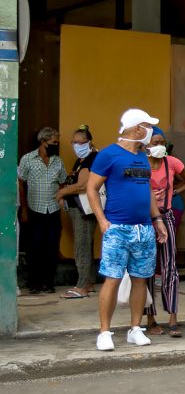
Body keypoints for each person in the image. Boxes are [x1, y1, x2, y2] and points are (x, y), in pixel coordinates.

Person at [87, 109, 168, 351]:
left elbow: (148, 191)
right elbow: (92, 189)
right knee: (112, 280)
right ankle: (104, 332)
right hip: (118, 228)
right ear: (137, 129)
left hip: (144, 228)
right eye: (148, 126)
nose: (151, 131)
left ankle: (135, 329)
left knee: (141, 280)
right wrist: (102, 221)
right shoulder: (108, 155)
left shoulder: (142, 157)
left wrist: (158, 219)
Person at [144, 127, 185, 338]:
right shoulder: (140, 163)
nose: (159, 146)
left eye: (161, 142)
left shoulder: (172, 162)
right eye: (154, 142)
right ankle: (150, 319)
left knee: (169, 267)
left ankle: (173, 317)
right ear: (146, 145)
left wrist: (174, 191)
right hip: (145, 219)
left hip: (166, 216)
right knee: (146, 269)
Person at [18, 127, 67, 294]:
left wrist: (61, 200)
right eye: (53, 143)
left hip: (53, 210)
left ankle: (48, 282)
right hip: (34, 209)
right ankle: (34, 282)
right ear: (43, 142)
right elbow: (21, 184)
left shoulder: (58, 162)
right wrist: (24, 209)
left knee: (51, 247)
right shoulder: (28, 159)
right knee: (34, 248)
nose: (56, 146)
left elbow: (62, 184)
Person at [54, 125, 98, 299]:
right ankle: (88, 282)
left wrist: (61, 192)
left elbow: (82, 185)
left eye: (81, 142)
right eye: (74, 142)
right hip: (78, 209)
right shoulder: (81, 160)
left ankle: (82, 287)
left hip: (84, 211)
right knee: (85, 245)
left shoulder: (91, 158)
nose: (77, 145)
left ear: (89, 142)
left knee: (82, 247)